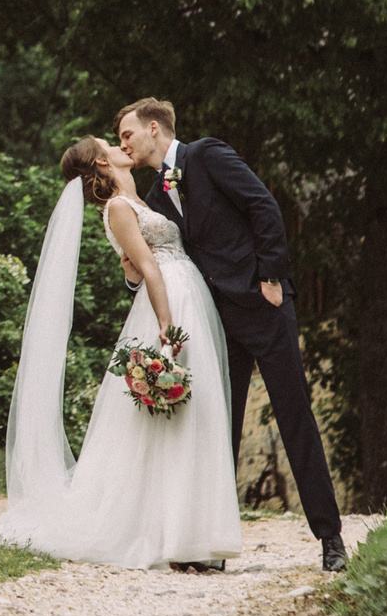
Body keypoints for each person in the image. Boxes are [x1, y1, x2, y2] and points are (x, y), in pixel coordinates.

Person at [116, 97, 347, 572]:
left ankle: (331, 540)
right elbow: (162, 259)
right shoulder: (157, 197)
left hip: (264, 306)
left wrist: (271, 276)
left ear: (154, 128)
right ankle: (211, 547)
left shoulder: (206, 154)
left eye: (127, 135)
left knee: (294, 413)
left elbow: (263, 205)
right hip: (217, 318)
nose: (125, 144)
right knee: (219, 425)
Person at [0, 135, 245, 569]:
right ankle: (171, 537)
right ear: (100, 161)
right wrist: (167, 325)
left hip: (187, 293)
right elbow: (147, 267)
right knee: (168, 420)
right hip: (167, 303)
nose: (119, 145)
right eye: (109, 143)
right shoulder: (118, 209)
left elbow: (139, 265)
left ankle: (193, 535)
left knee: (192, 415)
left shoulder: (142, 201)